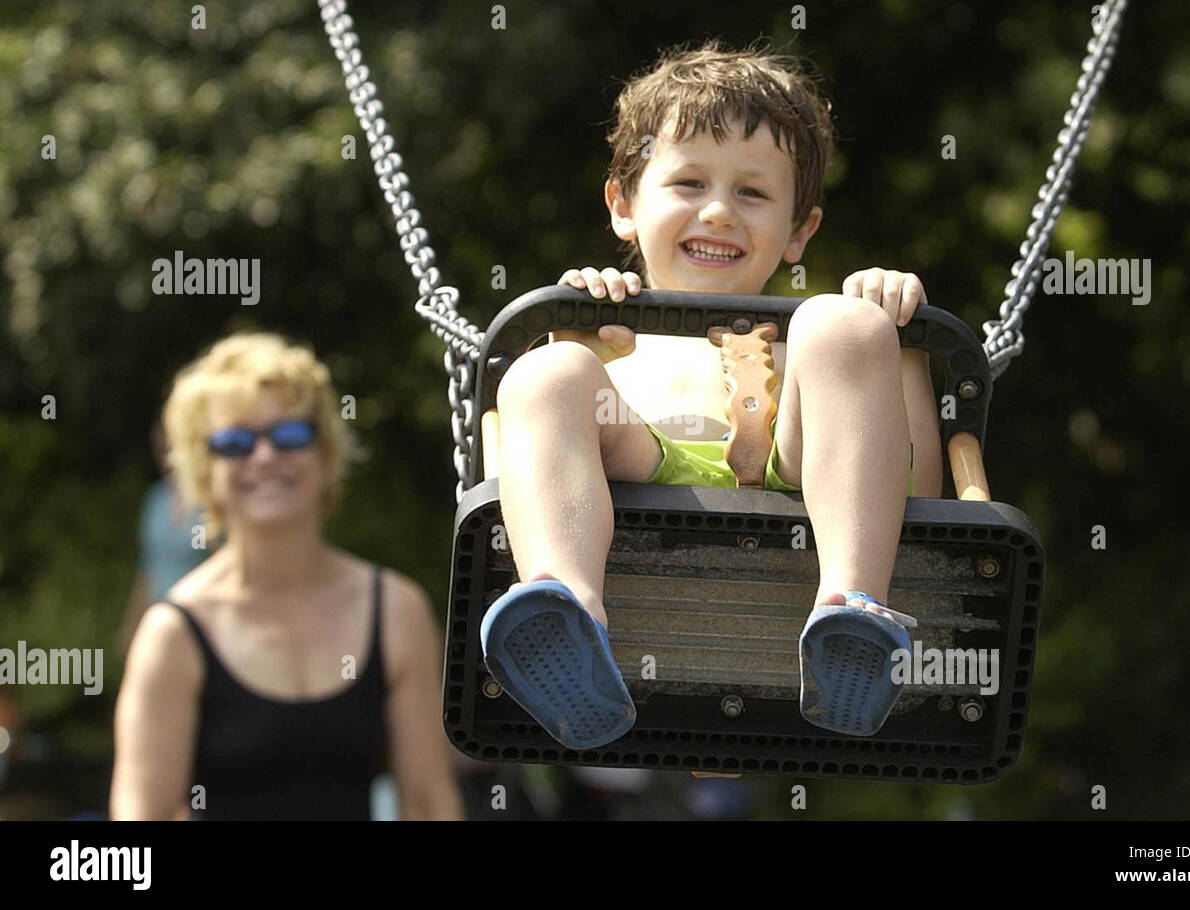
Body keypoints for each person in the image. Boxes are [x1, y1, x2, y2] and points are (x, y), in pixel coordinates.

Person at [479, 38, 944, 751]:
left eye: (752, 193)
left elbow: (928, 495)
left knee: (839, 320)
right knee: (543, 376)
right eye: (690, 184)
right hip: (645, 466)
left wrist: (896, 339)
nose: (720, 212)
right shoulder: (604, 330)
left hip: (800, 479)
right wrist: (573, 333)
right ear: (623, 205)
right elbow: (544, 452)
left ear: (800, 230)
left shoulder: (816, 345)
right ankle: (567, 607)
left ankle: (849, 607)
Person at [109, 332, 464, 820]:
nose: (264, 457)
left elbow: (427, 803)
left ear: (326, 453)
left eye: (289, 434)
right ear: (203, 471)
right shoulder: (173, 634)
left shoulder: (396, 609)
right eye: (234, 442)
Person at [117, 416, 213, 656]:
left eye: (170, 441)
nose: (164, 449)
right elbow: (149, 567)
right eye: (160, 442)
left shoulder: (209, 500)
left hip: (203, 627)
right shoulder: (156, 500)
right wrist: (131, 625)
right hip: (159, 627)